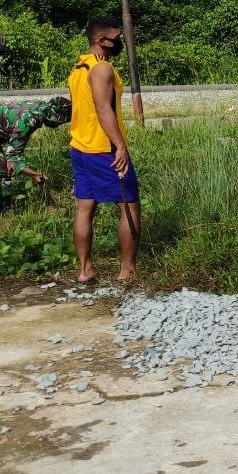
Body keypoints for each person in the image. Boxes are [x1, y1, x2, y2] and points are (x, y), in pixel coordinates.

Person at [68, 17, 139, 284]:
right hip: (104, 149)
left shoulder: (79, 67)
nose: (119, 42)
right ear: (101, 41)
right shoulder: (101, 69)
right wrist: (120, 145)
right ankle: (127, 270)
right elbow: (102, 109)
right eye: (116, 38)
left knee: (85, 207)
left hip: (80, 148)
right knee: (129, 207)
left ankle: (85, 270)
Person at [0, 97, 72, 234]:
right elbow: (13, 159)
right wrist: (34, 175)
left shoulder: (40, 107)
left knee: (1, 170)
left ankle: (5, 207)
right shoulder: (28, 120)